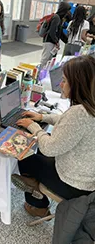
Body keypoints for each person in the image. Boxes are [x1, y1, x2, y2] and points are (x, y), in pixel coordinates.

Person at [11, 55, 95, 218]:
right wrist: (43, 118)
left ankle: (38, 205)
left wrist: (33, 126)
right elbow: (68, 124)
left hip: (73, 184)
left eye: (64, 80)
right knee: (42, 140)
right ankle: (34, 184)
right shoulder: (88, 106)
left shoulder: (79, 113)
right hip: (86, 179)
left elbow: (49, 148)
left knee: (24, 153)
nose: (60, 84)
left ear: (77, 83)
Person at [40, 2, 71, 68]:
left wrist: (68, 41)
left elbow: (60, 32)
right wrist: (56, 42)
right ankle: (39, 75)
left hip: (52, 42)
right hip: (49, 42)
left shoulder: (60, 19)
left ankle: (44, 75)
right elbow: (52, 32)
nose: (68, 12)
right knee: (45, 60)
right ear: (64, 9)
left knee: (50, 60)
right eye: (67, 10)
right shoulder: (56, 17)